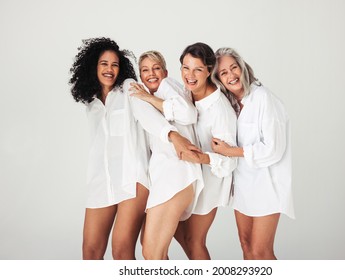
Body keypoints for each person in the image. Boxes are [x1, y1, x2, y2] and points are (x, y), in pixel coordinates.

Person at [69, 37, 197, 260]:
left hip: (133, 180)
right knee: (90, 252)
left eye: (115, 64)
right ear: (93, 66)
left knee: (121, 250)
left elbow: (148, 116)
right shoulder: (91, 103)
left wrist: (172, 135)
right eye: (104, 64)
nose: (110, 69)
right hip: (101, 182)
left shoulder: (128, 88)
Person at [211, 47, 295, 260]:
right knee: (246, 246)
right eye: (224, 73)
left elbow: (273, 149)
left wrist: (229, 151)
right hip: (243, 186)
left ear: (243, 68)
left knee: (261, 251)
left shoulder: (263, 97)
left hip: (267, 186)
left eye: (234, 68)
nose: (231, 75)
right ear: (218, 79)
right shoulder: (230, 104)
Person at [128, 50, 203, 260]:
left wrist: (146, 98)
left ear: (165, 71)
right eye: (145, 70)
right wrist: (147, 98)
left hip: (176, 174)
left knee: (152, 253)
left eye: (156, 68)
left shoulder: (167, 86)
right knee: (152, 250)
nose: (151, 74)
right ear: (140, 75)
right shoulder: (153, 96)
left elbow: (189, 114)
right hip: (167, 176)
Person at [176, 42, 237, 259]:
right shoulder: (185, 92)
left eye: (197, 69)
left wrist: (198, 157)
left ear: (209, 70)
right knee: (174, 230)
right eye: (186, 67)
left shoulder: (220, 109)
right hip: (188, 177)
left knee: (195, 240)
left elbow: (229, 161)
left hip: (211, 180)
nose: (189, 75)